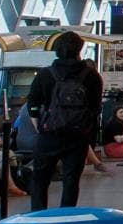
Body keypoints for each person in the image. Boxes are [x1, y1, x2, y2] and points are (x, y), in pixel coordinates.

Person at [23, 30, 102, 211]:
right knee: (71, 180)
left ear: (57, 50)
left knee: (40, 179)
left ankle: (39, 216)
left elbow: (33, 104)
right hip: (78, 135)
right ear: (79, 50)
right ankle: (66, 216)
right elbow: (95, 108)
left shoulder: (45, 74)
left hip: (50, 133)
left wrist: (40, 126)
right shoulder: (91, 75)